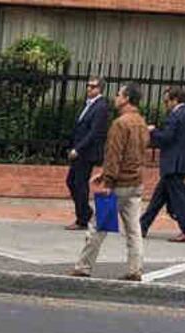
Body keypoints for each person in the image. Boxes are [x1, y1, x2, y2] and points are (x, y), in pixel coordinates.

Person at [71, 83, 151, 281]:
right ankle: (135, 268)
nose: (115, 98)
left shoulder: (119, 124)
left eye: (118, 94)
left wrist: (108, 180)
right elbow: (138, 154)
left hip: (118, 184)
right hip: (135, 182)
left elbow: (114, 155)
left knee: (98, 226)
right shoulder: (141, 123)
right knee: (134, 230)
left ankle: (83, 266)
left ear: (126, 98)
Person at [140, 86, 185, 243]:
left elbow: (166, 137)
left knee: (179, 200)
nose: (165, 105)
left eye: (167, 101)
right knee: (158, 198)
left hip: (173, 164)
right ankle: (142, 226)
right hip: (182, 163)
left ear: (175, 100)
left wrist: (152, 131)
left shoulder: (174, 116)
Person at [65, 78, 110, 230]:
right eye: (88, 86)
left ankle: (83, 218)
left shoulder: (101, 107)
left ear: (100, 89)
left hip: (86, 153)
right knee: (72, 182)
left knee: (79, 184)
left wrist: (78, 149)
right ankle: (86, 213)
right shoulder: (88, 105)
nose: (89, 89)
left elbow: (94, 132)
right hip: (80, 151)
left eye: (93, 86)